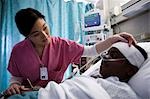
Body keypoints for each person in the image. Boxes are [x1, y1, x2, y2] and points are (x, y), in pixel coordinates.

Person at [6, 7, 136, 95]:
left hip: (53, 94)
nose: (45, 36)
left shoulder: (62, 45)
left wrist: (113, 39)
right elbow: (16, 77)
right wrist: (14, 85)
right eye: (36, 34)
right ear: (27, 36)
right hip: (28, 94)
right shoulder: (18, 51)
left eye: (45, 28)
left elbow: (91, 50)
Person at [7, 42, 147, 99]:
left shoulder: (122, 92)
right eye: (107, 52)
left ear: (129, 70)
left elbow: (89, 50)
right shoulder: (93, 78)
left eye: (114, 55)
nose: (105, 57)